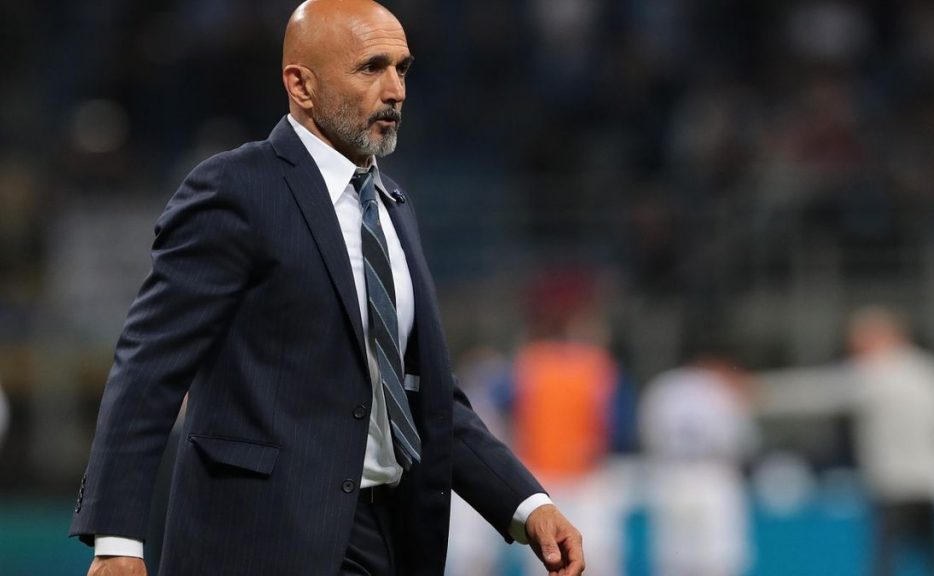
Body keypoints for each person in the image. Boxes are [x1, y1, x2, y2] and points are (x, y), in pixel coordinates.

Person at [69, 1, 584, 575]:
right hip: (258, 544)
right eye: (371, 68)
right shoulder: (237, 189)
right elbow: (150, 365)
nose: (396, 91)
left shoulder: (393, 207)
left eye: (402, 68)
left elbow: (420, 396)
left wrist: (526, 504)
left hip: (385, 536)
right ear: (301, 85)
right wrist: (117, 539)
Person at [756, 306, 934, 576]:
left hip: (894, 486)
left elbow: (820, 391)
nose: (853, 351)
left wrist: (759, 392)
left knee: (885, 561)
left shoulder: (878, 371)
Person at [638, 358, 756, 576]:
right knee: (718, 564)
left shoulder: (663, 387)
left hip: (671, 478)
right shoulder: (719, 389)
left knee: (674, 564)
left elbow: (648, 437)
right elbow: (739, 442)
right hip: (713, 478)